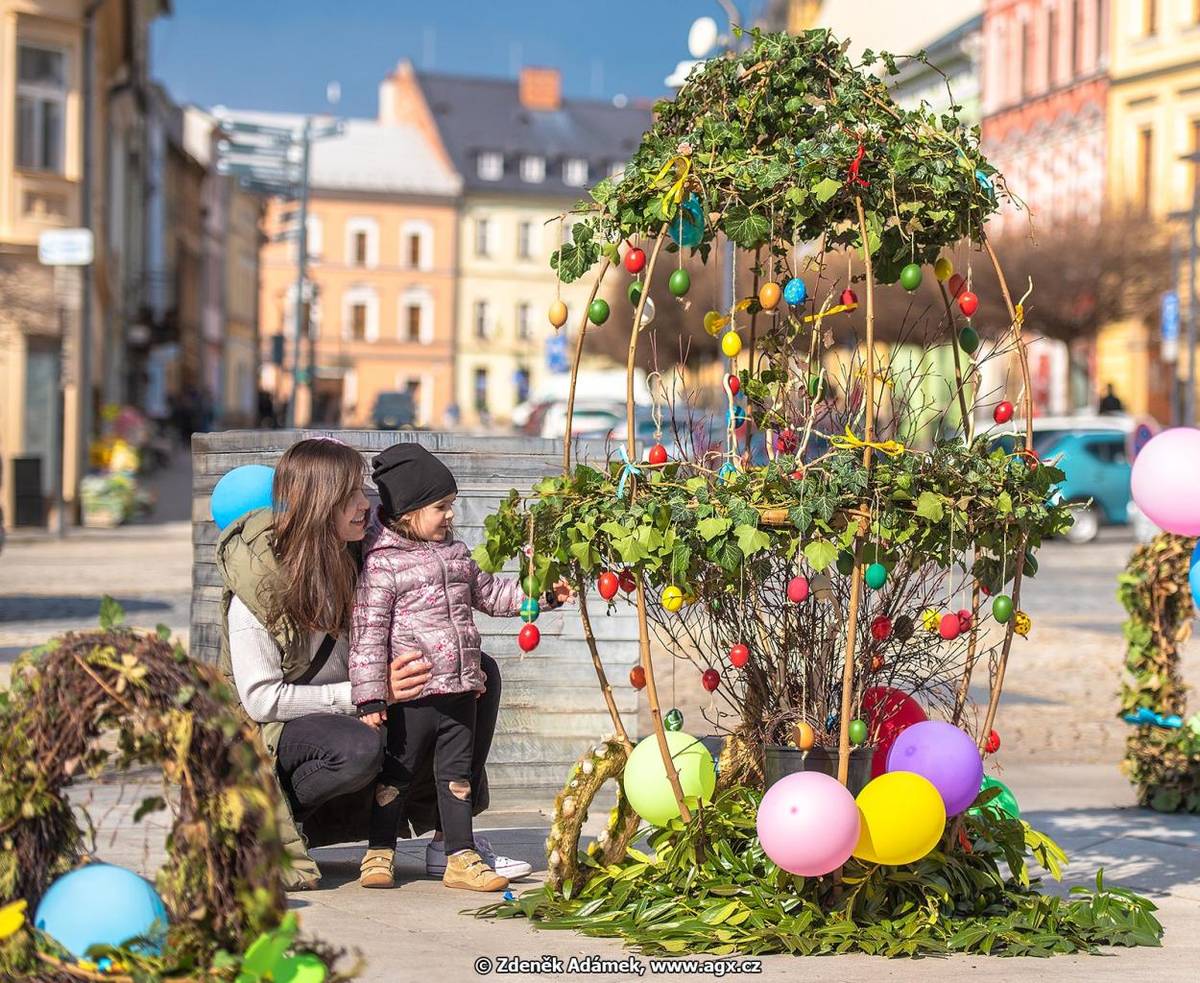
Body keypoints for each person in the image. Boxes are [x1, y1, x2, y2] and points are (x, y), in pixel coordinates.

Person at [216, 437, 526, 889]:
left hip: (366, 696)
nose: (366, 505)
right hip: (282, 728)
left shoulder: (362, 550)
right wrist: (368, 692)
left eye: (363, 492)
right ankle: (280, 827)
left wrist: (447, 663)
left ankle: (452, 842)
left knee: (479, 671)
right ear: (319, 505)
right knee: (357, 748)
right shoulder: (259, 589)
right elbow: (261, 701)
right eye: (351, 497)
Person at [349, 443, 572, 891]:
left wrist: (541, 598)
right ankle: (379, 851)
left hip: (460, 691)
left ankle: (460, 855)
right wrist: (370, 695)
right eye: (441, 507)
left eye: (450, 506)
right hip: (412, 697)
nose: (450, 515)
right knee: (396, 774)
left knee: (458, 778)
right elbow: (368, 633)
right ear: (410, 511)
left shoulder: (457, 554)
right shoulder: (383, 565)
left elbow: (492, 595)